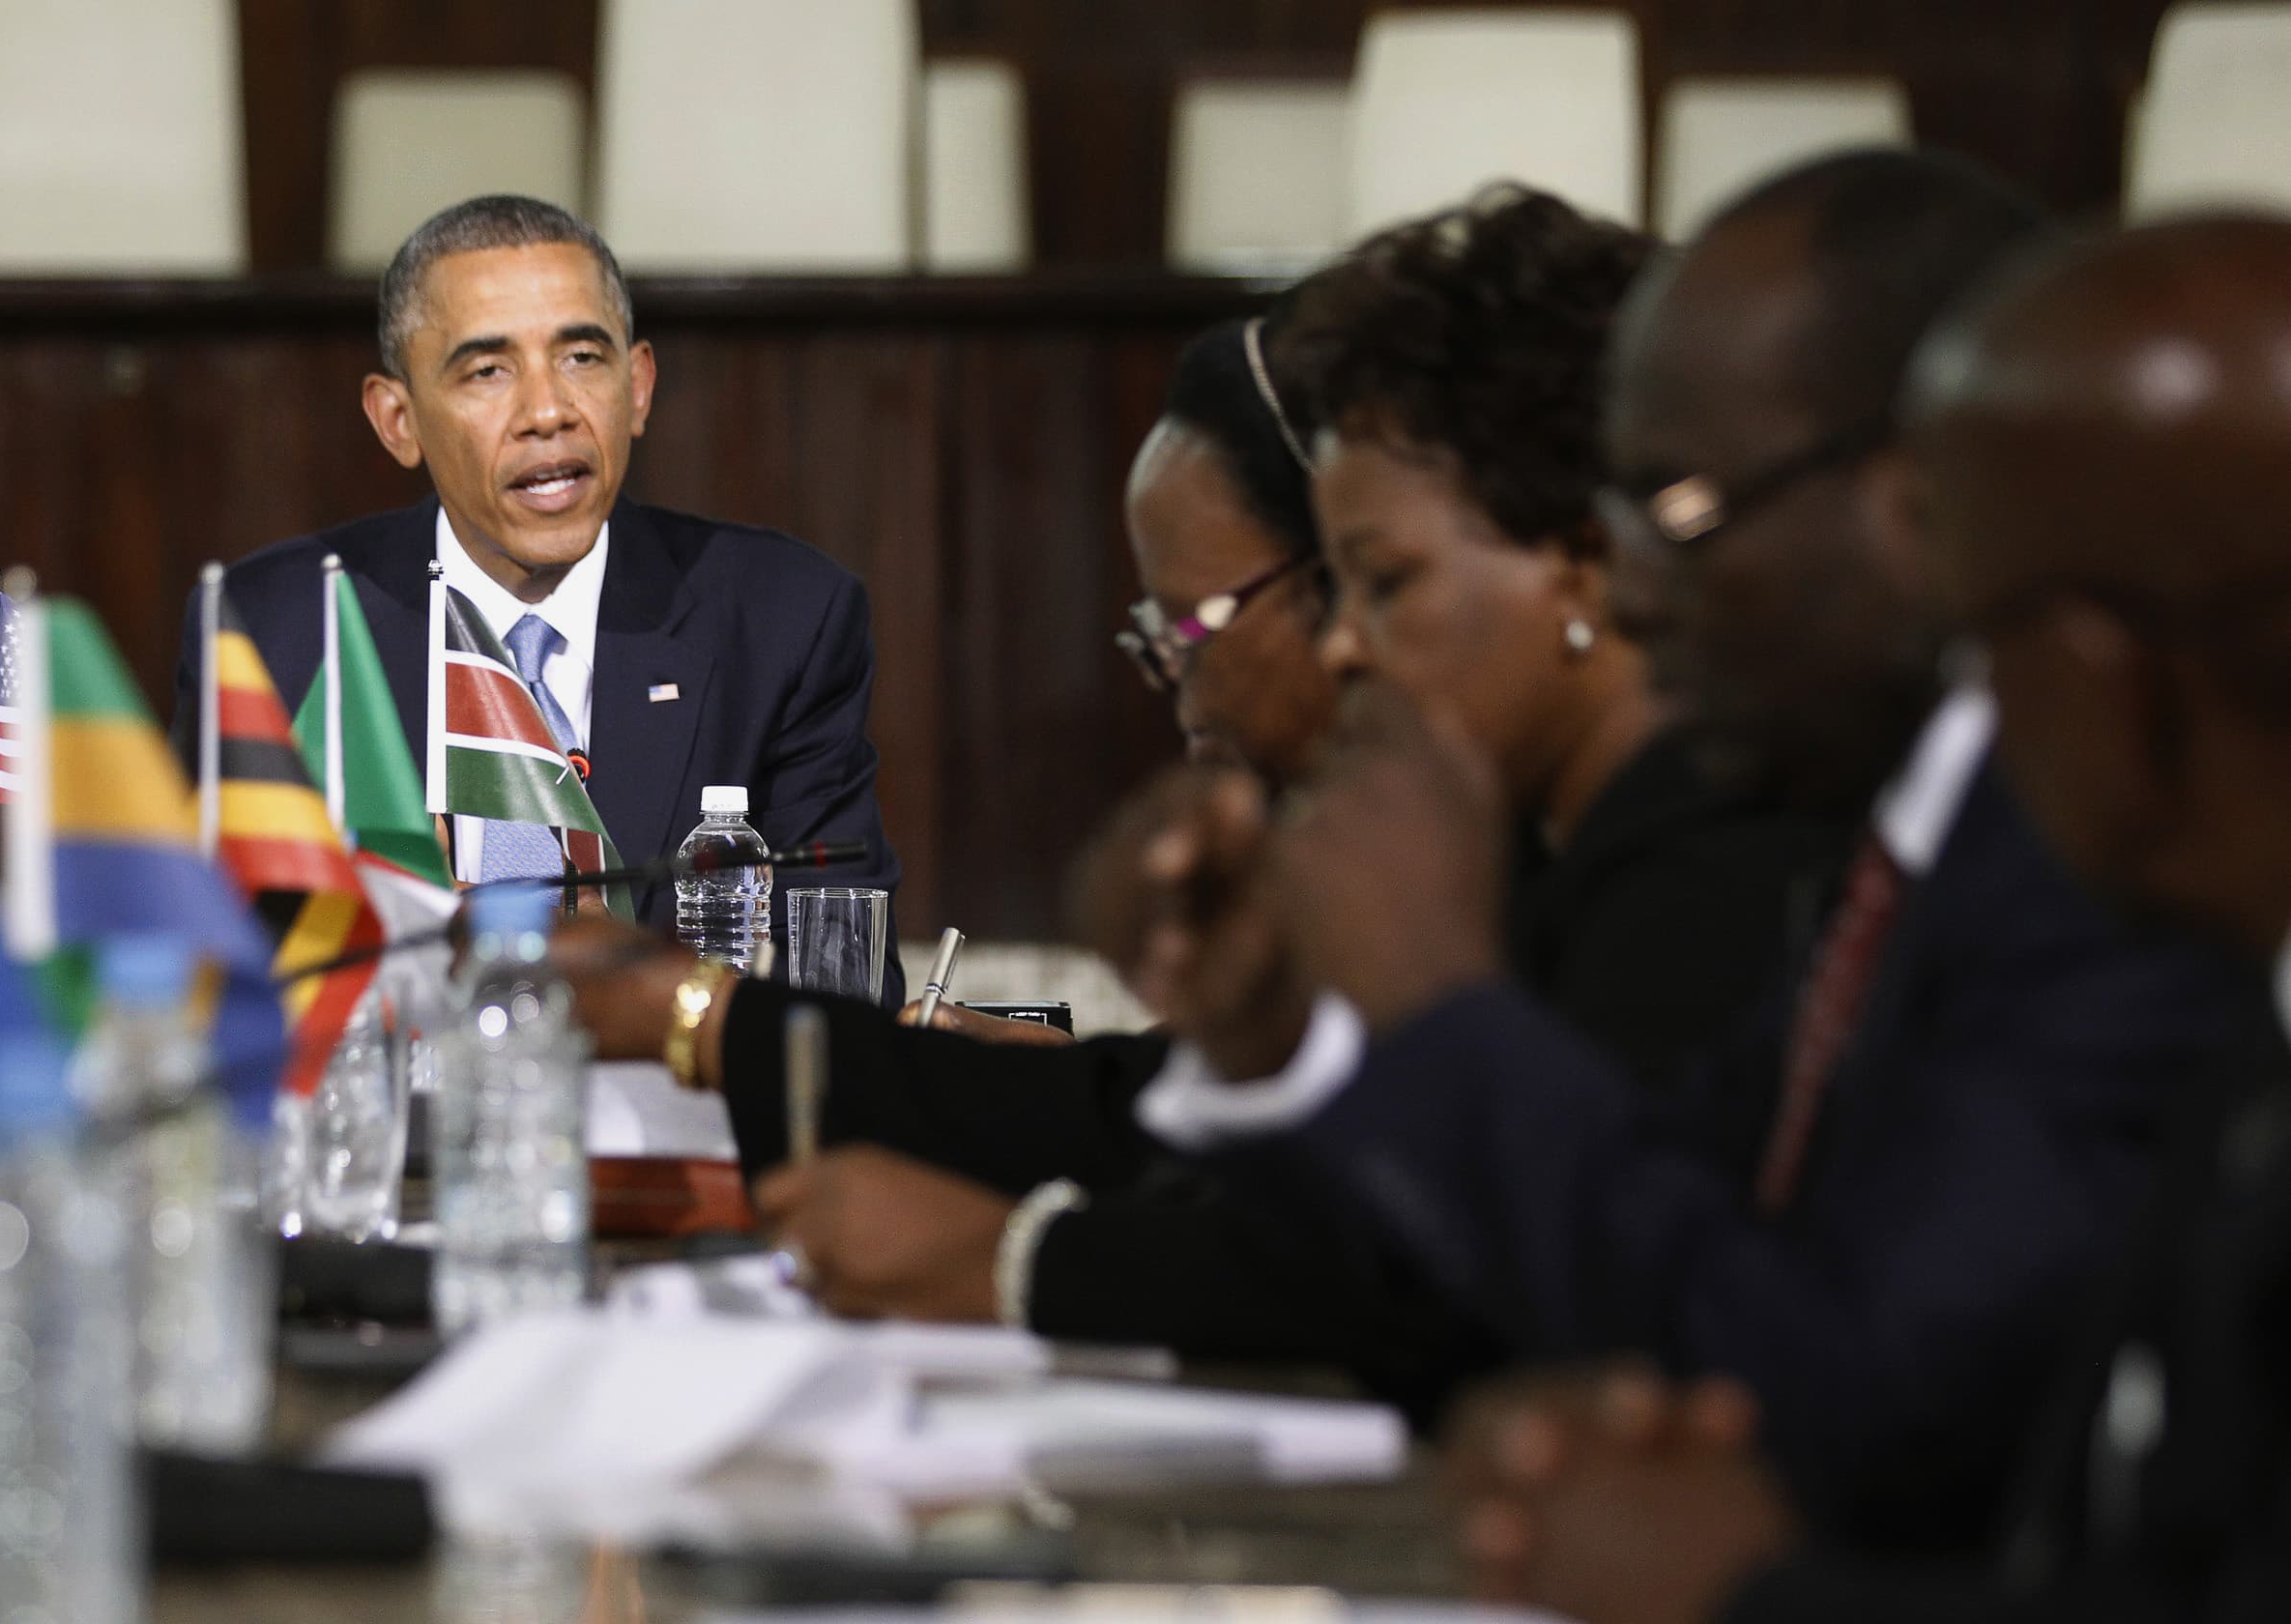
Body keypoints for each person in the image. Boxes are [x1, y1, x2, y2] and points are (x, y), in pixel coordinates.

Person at [1080, 149, 2249, 1557]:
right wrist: (1284, 1036)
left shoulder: (2090, 881)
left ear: (1920, 511)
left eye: (1677, 510)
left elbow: (1853, 1407)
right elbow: (1673, 1236)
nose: (1631, 581)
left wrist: (1442, 1002)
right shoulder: (1911, 841)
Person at [572, 191, 1835, 1407]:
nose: (1349, 647)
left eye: (1381, 581)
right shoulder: (1569, 847)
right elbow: (1202, 1145)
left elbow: (1489, 1277)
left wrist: (1018, 1263)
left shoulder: (1725, 858)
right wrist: (1255, 1043)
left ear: (1586, 558)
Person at [1444, 211, 2291, 1624]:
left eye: (1990, 645)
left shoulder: (2133, 968)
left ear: (2106, 685)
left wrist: (1752, 1594)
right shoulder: (2245, 1032)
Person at [169, 194, 901, 987]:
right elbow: (196, 962)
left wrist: (610, 976)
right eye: (488, 371)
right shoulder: (277, 630)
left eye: (583, 358)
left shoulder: (783, 619)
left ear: (640, 386)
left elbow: (841, 989)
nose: (548, 412)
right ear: (398, 420)